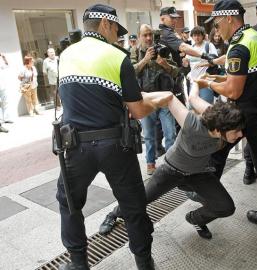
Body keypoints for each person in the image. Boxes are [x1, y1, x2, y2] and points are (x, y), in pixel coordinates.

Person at [56, 4, 173, 270]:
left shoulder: (65, 55)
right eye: (115, 30)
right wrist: (157, 101)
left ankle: (78, 263)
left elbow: (69, 99)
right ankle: (144, 263)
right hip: (115, 145)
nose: (117, 36)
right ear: (106, 25)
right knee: (133, 207)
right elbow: (138, 110)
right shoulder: (117, 56)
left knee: (70, 204)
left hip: (75, 146)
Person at [99, 81, 245, 239]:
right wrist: (139, 98)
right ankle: (113, 215)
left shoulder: (219, 119)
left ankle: (195, 219)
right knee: (139, 199)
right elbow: (169, 98)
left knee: (226, 207)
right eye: (236, 131)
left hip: (199, 173)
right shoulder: (192, 124)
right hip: (171, 170)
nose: (240, 135)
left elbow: (194, 96)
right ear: (218, 129)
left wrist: (201, 82)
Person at [196, 0, 257, 231]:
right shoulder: (255, 37)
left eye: (216, 23)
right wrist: (218, 80)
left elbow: (235, 90)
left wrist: (207, 83)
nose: (216, 29)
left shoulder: (238, 47)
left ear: (228, 18)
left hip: (243, 113)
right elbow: (246, 77)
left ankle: (210, 197)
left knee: (217, 152)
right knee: (256, 160)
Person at [130, 24, 178, 175]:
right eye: (145, 35)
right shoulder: (135, 51)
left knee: (170, 134)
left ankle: (170, 165)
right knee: (149, 136)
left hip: (164, 98)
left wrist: (164, 64)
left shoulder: (162, 49)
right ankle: (150, 163)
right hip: (146, 99)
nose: (149, 38)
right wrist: (145, 59)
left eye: (150, 34)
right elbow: (130, 73)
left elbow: (176, 71)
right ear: (139, 37)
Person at [187, 26, 218, 104]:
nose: (196, 37)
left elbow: (216, 61)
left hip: (205, 82)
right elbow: (187, 64)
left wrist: (203, 64)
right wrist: (185, 62)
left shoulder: (208, 46)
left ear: (202, 36)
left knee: (206, 106)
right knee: (194, 106)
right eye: (194, 35)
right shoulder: (191, 48)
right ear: (192, 37)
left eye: (198, 35)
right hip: (193, 82)